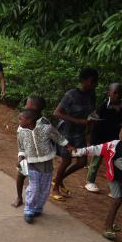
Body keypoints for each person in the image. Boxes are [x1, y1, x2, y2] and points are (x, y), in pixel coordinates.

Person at [73, 121, 122, 240]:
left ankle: (110, 222)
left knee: (119, 201)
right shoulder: (113, 145)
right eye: (121, 130)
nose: (120, 133)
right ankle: (107, 226)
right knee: (117, 200)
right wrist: (78, 151)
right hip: (113, 177)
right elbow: (95, 149)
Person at [15, 108, 72, 224]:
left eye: (21, 119)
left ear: (29, 120)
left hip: (46, 163)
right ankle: (29, 210)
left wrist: (68, 146)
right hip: (31, 163)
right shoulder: (21, 131)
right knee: (34, 188)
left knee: (45, 189)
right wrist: (20, 157)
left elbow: (58, 137)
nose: (19, 121)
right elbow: (20, 146)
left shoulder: (46, 129)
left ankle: (38, 208)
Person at [51, 67, 99, 201]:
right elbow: (57, 113)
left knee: (82, 161)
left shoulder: (92, 94)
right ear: (83, 81)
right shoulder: (71, 94)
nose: (94, 84)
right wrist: (79, 121)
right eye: (92, 81)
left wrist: (92, 121)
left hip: (80, 133)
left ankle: (58, 180)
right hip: (66, 131)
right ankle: (55, 188)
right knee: (66, 160)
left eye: (96, 81)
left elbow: (91, 111)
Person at [83, 83, 122, 194]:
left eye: (120, 93)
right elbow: (95, 120)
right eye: (115, 92)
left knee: (114, 162)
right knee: (96, 161)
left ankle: (115, 189)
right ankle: (90, 181)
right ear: (109, 93)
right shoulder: (103, 106)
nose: (117, 95)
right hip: (100, 138)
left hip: (114, 139)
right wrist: (92, 139)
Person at [13, 96, 48, 210]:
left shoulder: (44, 123)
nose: (25, 106)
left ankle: (33, 202)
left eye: (27, 104)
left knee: (37, 180)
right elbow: (20, 141)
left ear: (34, 107)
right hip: (26, 154)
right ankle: (19, 197)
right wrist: (20, 156)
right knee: (21, 174)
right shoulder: (24, 120)